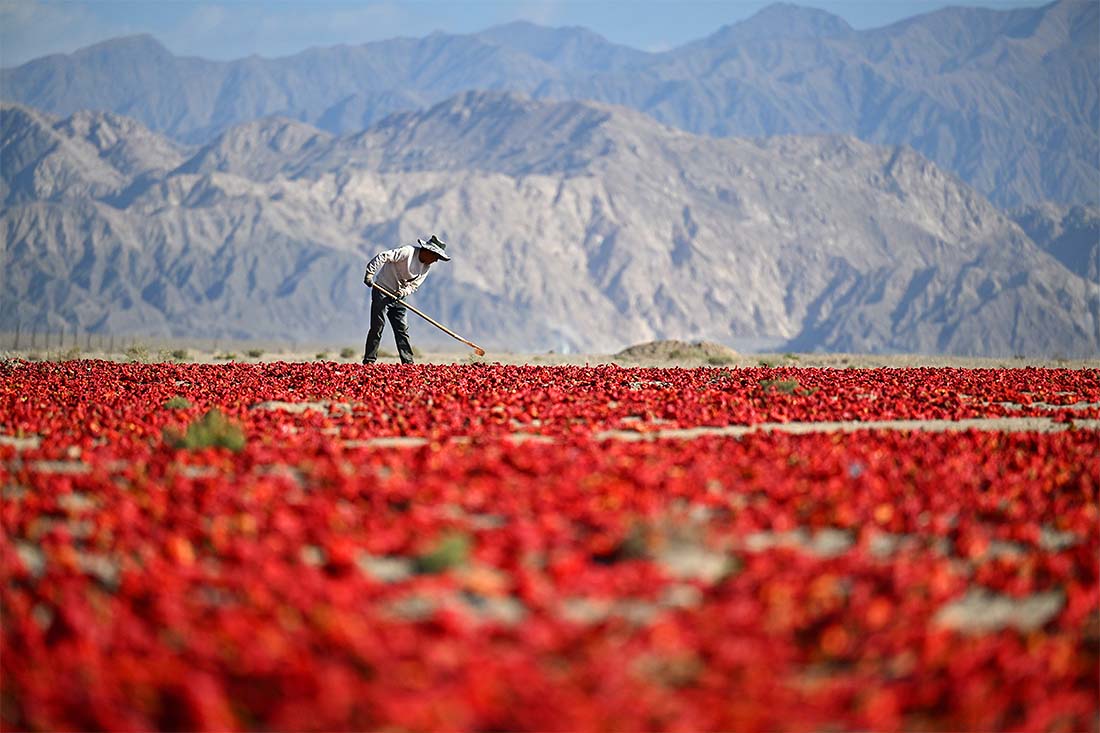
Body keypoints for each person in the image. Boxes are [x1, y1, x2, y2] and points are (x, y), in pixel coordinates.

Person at [361, 234, 451, 364]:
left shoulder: (426, 267)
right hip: (382, 291)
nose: (436, 260)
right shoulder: (408, 252)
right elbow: (383, 256)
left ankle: (408, 363)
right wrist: (370, 273)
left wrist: (402, 292)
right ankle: (369, 360)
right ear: (428, 251)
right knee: (377, 327)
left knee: (402, 329)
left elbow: (414, 286)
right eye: (436, 257)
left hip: (399, 297)